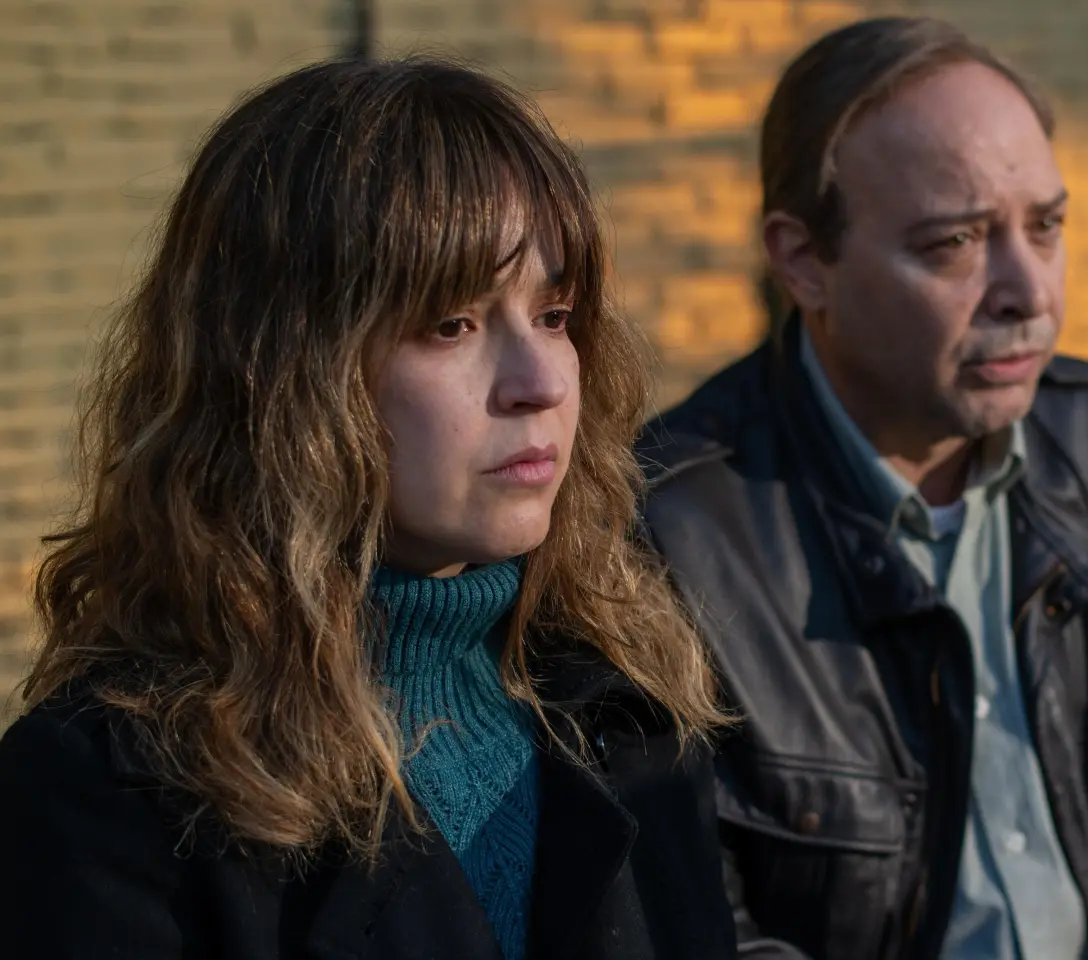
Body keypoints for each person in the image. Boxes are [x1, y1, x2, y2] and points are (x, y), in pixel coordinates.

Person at [0, 57, 735, 960]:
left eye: (555, 316)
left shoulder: (627, 703)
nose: (541, 382)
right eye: (451, 325)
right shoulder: (114, 789)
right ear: (285, 374)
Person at [636, 16, 1088, 960]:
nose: (1029, 292)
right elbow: (704, 935)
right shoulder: (661, 534)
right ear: (804, 262)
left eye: (1046, 227)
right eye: (955, 242)